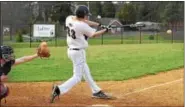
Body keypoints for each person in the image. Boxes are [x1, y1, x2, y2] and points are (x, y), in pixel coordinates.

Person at [50, 5, 112, 103]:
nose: (87, 17)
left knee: (86, 71)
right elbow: (93, 35)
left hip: (70, 50)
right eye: (86, 15)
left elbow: (84, 21)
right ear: (83, 15)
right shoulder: (81, 26)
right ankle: (59, 89)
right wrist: (106, 30)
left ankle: (96, 91)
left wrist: (99, 25)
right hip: (78, 53)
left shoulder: (69, 18)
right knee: (77, 77)